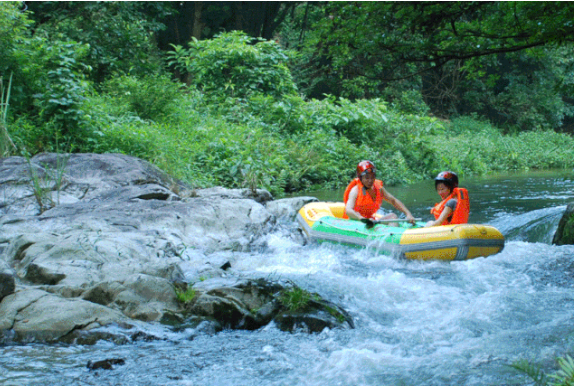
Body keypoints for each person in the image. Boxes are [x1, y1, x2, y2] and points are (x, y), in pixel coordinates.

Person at [343, 160, 415, 224]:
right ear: (360, 178)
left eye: (372, 177)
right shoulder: (355, 191)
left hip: (371, 221)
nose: (370, 180)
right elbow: (348, 210)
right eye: (367, 178)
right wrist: (361, 218)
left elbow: (393, 201)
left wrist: (408, 214)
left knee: (393, 216)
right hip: (357, 222)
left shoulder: (379, 189)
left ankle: (393, 236)